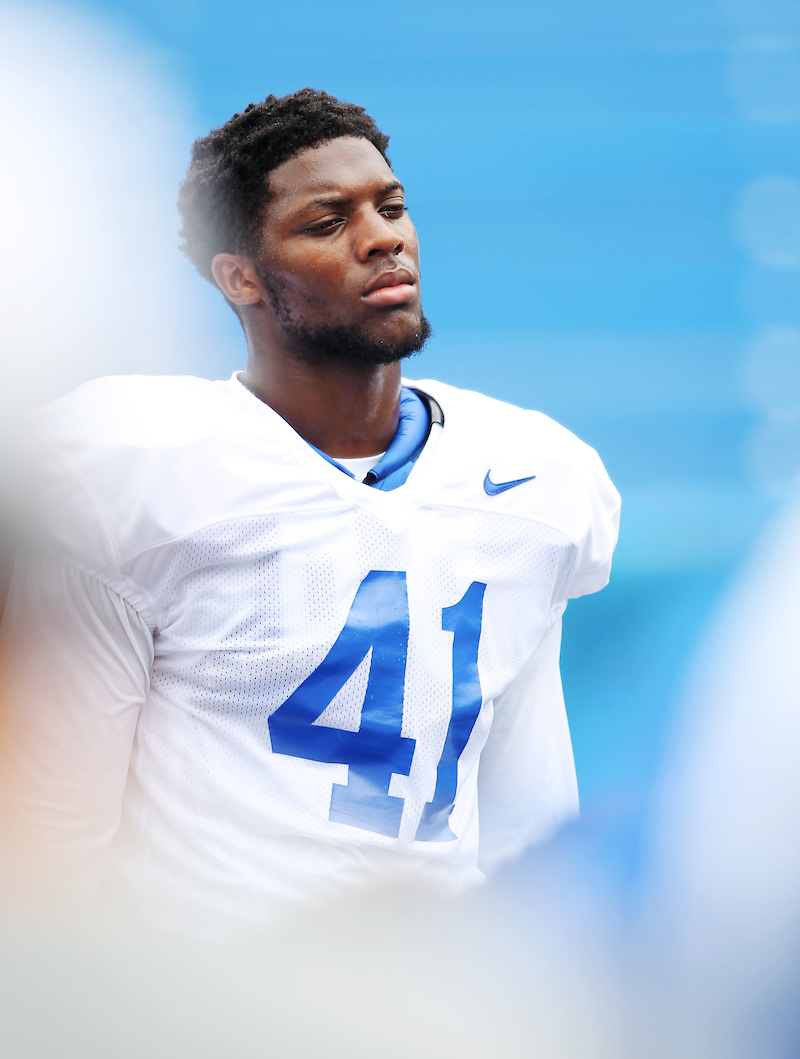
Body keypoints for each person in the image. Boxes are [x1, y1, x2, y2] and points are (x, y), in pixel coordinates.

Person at [0, 89, 619, 936]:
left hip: (431, 1005)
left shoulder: (534, 478)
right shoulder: (134, 471)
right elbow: (58, 837)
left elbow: (527, 810)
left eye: (390, 207)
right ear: (241, 276)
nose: (383, 237)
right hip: (210, 1010)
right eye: (328, 222)